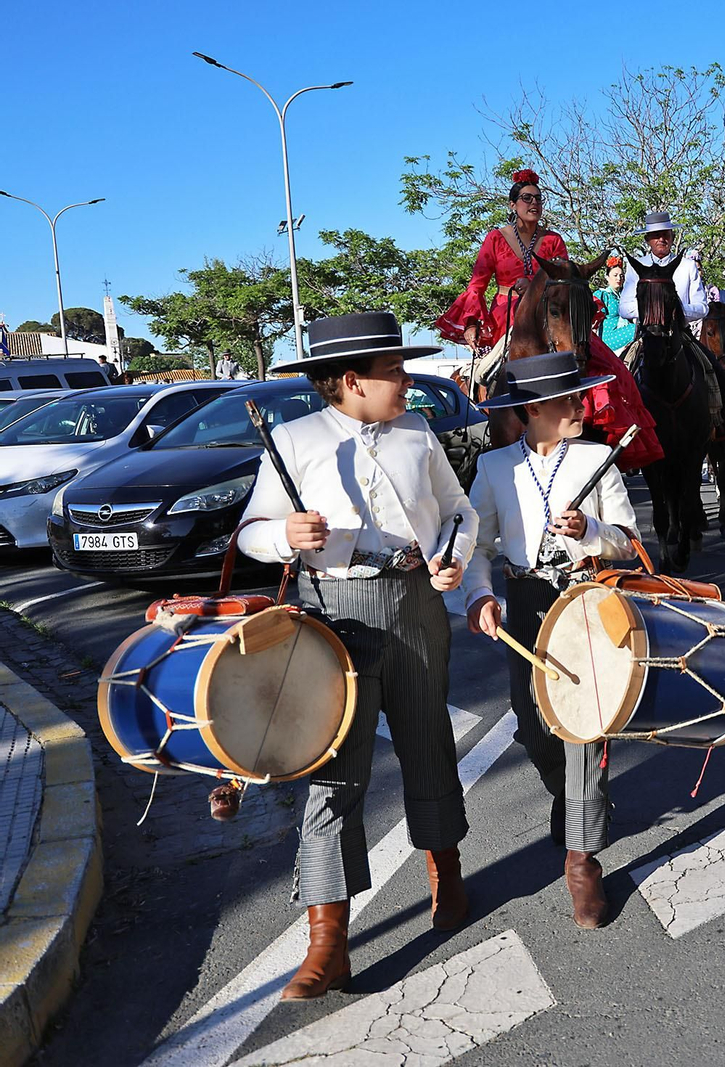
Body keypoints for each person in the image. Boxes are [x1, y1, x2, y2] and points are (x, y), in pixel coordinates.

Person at [236, 311, 479, 998]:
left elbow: (460, 509)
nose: (406, 380)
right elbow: (253, 532)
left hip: (416, 603)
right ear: (351, 380)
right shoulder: (294, 440)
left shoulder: (416, 430)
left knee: (429, 742)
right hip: (331, 617)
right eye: (393, 371)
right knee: (334, 771)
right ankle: (328, 942)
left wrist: (451, 556)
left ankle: (447, 874)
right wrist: (284, 531)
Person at [463, 351, 639, 928]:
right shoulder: (492, 469)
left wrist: (593, 531)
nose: (583, 407)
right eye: (571, 399)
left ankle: (581, 857)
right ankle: (569, 794)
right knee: (530, 720)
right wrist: (479, 595)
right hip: (525, 602)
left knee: (583, 720)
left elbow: (631, 542)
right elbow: (479, 548)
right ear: (537, 408)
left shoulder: (598, 458)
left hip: (585, 601)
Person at [435, 169, 568, 351]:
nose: (534, 203)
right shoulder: (495, 238)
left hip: (547, 313)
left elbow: (564, 283)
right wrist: (471, 323)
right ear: (513, 205)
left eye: (538, 198)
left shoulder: (554, 240)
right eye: (527, 198)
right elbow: (476, 285)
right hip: (505, 315)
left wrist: (534, 287)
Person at [619, 211, 708, 327]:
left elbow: (702, 308)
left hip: (680, 333)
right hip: (645, 333)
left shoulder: (688, 266)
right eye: (656, 235)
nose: (661, 239)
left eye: (665, 234)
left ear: (673, 237)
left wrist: (675, 308)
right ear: (647, 239)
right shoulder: (636, 266)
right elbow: (623, 308)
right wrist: (652, 308)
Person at [594, 256, 636, 353]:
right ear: (607, 277)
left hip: (626, 328)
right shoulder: (602, 295)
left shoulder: (626, 294)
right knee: (639, 328)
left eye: (621, 276)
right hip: (609, 336)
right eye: (615, 275)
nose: (619, 278)